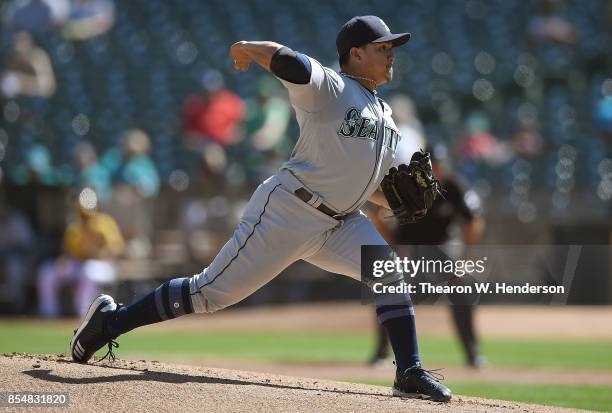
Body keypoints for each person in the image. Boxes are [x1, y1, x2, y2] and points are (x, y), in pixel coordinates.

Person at [70, 16, 452, 402]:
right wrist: (247, 48)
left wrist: (402, 205)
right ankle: (110, 321)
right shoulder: (332, 89)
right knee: (209, 294)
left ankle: (409, 371)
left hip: (341, 223)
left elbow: (372, 187)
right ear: (355, 53)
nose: (392, 56)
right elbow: (288, 60)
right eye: (383, 48)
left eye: (392, 49)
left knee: (388, 273)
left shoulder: (385, 115)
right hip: (289, 211)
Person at [369, 146, 487, 368]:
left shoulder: (453, 186)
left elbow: (474, 220)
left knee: (461, 288)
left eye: (439, 167)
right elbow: (377, 214)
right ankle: (381, 353)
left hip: (441, 247)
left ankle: (473, 353)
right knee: (389, 288)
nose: (436, 173)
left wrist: (466, 258)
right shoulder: (407, 183)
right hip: (408, 245)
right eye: (432, 169)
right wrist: (392, 245)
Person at [38, 197, 125, 318]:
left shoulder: (104, 223)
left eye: (87, 215)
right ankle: (49, 312)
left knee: (87, 272)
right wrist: (63, 260)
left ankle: (83, 313)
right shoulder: (74, 227)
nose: (85, 218)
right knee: (47, 270)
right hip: (79, 264)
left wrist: (98, 253)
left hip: (103, 265)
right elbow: (68, 253)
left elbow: (117, 249)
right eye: (82, 214)